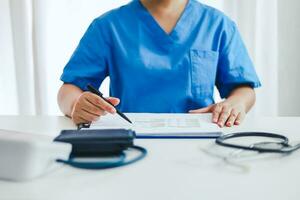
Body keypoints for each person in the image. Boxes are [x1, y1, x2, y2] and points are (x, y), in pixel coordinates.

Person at [58, 0, 261, 127]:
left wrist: (237, 103)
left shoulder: (218, 24)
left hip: (200, 143)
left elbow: (243, 88)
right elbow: (68, 89)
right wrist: (77, 104)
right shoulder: (108, 26)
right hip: (131, 141)